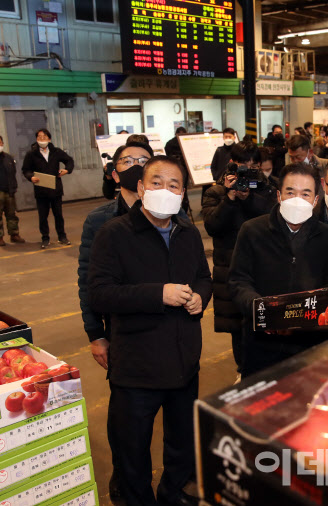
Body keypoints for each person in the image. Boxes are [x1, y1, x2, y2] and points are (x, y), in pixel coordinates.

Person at [88, 155, 212, 506]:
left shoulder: (187, 232)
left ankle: (173, 495)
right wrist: (159, 294)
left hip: (184, 362)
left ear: (183, 192)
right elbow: (99, 293)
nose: (165, 190)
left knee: (181, 444)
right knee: (132, 450)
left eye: (174, 185)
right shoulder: (114, 234)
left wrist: (201, 297)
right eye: (156, 182)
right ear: (140, 188)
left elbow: (203, 276)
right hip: (136, 369)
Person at [77, 140, 154, 500]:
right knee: (125, 414)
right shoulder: (99, 219)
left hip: (161, 326)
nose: (136, 165)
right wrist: (96, 333)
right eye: (128, 160)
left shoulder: (172, 212)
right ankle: (124, 480)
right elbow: (87, 280)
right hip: (120, 330)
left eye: (144, 160)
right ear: (114, 171)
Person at [229, 163, 328, 377]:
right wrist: (262, 309)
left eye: (305, 194)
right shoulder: (252, 231)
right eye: (290, 192)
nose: (297, 200)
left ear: (316, 200)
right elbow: (238, 281)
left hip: (309, 346)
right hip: (260, 344)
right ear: (279, 196)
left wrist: (307, 316)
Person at [202, 141, 276, 374]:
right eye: (244, 164)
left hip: (263, 267)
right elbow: (213, 225)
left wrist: (248, 198)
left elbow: (274, 217)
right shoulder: (215, 191)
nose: (249, 169)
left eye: (254, 164)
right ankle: (242, 372)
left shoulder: (266, 187)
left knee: (266, 324)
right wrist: (230, 198)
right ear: (233, 163)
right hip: (231, 270)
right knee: (237, 330)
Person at [21, 128, 74, 248]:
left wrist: (67, 170)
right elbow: (25, 170)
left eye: (44, 137)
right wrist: (31, 177)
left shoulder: (56, 152)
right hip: (41, 190)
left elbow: (69, 160)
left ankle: (62, 236)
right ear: (36, 139)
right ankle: (45, 238)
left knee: (58, 215)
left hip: (56, 189)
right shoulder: (32, 154)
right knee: (43, 216)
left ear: (49, 139)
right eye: (39, 137)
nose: (42, 139)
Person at [0, 135, 24, 246]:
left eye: (0, 142)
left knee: (11, 214)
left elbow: (13, 173)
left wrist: (13, 188)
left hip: (9, 192)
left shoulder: (8, 158)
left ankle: (14, 234)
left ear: (2, 144)